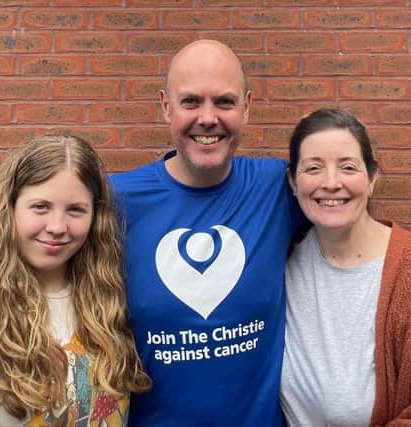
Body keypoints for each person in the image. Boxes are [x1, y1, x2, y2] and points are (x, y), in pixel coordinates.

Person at [110, 39, 305, 426]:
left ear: (247, 107)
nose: (208, 118)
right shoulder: (116, 200)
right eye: (191, 102)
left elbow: (347, 220)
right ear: (166, 106)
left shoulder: (279, 189)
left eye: (225, 102)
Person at [0, 135, 150, 426]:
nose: (57, 227)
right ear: (9, 209)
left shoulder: (111, 302)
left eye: (75, 210)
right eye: (40, 207)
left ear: (95, 216)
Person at [280, 109, 411, 426]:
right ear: (294, 182)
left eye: (348, 167)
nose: (331, 183)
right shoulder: (279, 261)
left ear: (372, 178)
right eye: (314, 168)